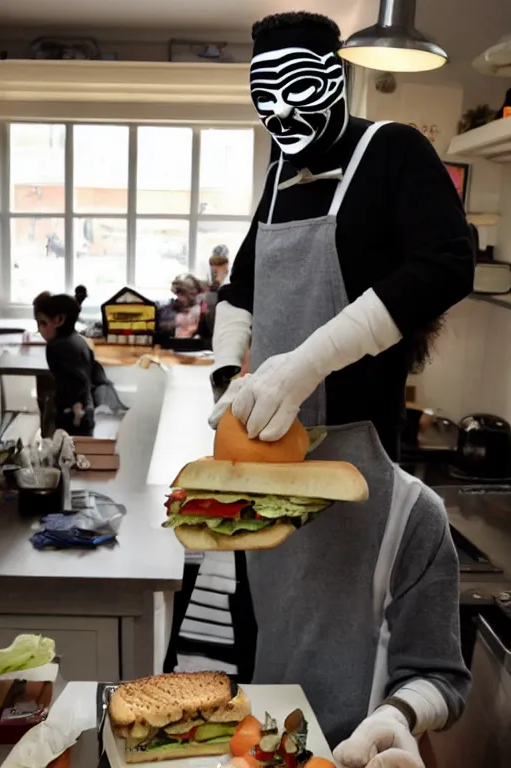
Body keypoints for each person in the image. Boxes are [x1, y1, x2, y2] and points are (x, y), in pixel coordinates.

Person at [208, 12, 475, 768]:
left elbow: (450, 261)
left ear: (338, 78)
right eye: (266, 96)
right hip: (269, 470)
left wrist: (308, 362)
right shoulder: (277, 177)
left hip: (356, 458)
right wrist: (235, 376)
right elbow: (242, 290)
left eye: (300, 88)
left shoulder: (390, 152)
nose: (283, 114)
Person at [33, 292, 95, 436]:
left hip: (72, 416)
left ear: (59, 320)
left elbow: (68, 384)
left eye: (43, 323)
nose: (41, 330)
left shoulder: (55, 347)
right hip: (86, 410)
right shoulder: (79, 340)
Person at [158, 274, 211, 344]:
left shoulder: (203, 310)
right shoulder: (169, 309)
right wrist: (175, 322)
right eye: (177, 294)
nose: (179, 297)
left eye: (182, 295)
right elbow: (158, 327)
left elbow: (208, 333)